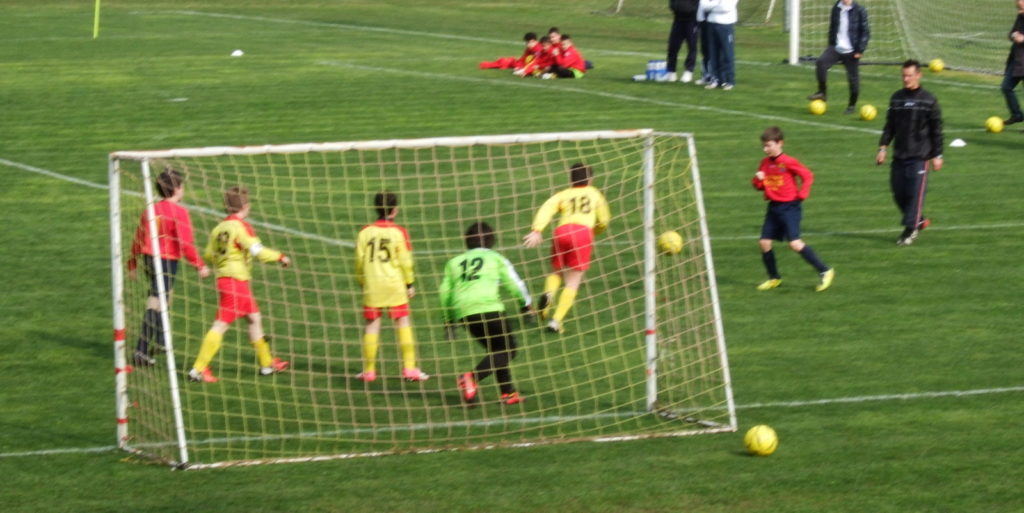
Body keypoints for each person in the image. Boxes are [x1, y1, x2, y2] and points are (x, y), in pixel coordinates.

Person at [188, 186, 291, 383]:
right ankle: (198, 369)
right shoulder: (240, 227)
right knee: (221, 324)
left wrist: (222, 260)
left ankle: (267, 364)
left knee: (254, 318)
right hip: (236, 282)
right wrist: (280, 257)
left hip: (226, 280)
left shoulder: (218, 229)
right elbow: (257, 251)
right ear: (246, 206)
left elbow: (209, 255)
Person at [440, 222, 534, 406]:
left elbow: (445, 293)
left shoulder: (453, 263)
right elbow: (515, 283)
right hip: (489, 308)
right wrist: (526, 305)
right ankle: (471, 378)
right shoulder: (495, 258)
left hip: (464, 313)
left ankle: (508, 393)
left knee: (497, 349)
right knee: (508, 349)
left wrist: (449, 320)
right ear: (491, 241)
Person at [127, 169, 210, 367]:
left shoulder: (151, 210)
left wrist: (132, 262)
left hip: (148, 258)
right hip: (166, 261)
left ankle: (158, 342)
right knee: (156, 302)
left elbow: (140, 236)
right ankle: (143, 349)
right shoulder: (179, 212)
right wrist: (199, 265)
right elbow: (185, 243)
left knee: (161, 298)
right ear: (178, 189)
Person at [523, 163, 610, 333]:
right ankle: (556, 321)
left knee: (556, 271)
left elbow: (547, 208)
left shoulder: (564, 194)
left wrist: (537, 229)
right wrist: (595, 230)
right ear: (590, 179)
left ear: (571, 179)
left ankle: (548, 294)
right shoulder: (594, 194)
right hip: (582, 234)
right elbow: (604, 220)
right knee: (573, 280)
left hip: (561, 232)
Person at [354, 191, 429, 382]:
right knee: (402, 323)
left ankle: (369, 372)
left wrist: (363, 282)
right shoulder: (399, 232)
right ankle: (410, 369)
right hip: (394, 285)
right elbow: (406, 261)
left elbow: (359, 262)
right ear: (395, 210)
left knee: (372, 326)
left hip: (373, 285)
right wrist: (409, 283)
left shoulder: (364, 232)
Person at [752, 127, 835, 292]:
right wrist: (758, 180)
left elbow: (807, 175)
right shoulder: (765, 163)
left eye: (768, 145)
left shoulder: (788, 161)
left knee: (795, 243)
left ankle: (825, 271)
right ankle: (774, 278)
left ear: (779, 143)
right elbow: (759, 186)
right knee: (764, 242)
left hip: (789, 207)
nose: (765, 149)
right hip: (774, 207)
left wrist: (802, 194)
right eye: (764, 146)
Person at [875, 59, 944, 246]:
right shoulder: (896, 98)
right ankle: (919, 220)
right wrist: (882, 148)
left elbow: (936, 130)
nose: (906, 79)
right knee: (899, 194)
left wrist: (937, 155)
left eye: (909, 76)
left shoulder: (928, 100)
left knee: (914, 195)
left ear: (918, 75)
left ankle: (910, 230)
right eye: (903, 75)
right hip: (899, 156)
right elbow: (890, 126)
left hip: (920, 157)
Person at [807, 0, 871, 115]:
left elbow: (865, 32)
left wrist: (860, 50)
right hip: (836, 48)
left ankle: (851, 106)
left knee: (854, 81)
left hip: (852, 51)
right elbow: (832, 28)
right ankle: (822, 92)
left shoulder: (860, 10)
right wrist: (831, 45)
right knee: (821, 63)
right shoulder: (836, 8)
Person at [701, 0, 738, 90]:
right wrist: (717, 3)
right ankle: (716, 79)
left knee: (727, 54)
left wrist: (712, 5)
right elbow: (703, 5)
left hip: (726, 25)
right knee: (713, 54)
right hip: (712, 23)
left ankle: (729, 80)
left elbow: (726, 8)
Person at [664, 0, 700, 83]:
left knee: (691, 46)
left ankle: (689, 71)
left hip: (692, 21)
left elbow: (699, 4)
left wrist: (690, 10)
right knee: (673, 46)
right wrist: (675, 8)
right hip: (678, 19)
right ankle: (671, 71)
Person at [1001, 0, 1024, 126]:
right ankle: (1017, 115)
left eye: (1020, 1)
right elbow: (1011, 33)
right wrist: (1014, 35)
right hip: (1016, 60)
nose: (1018, 3)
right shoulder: (1020, 17)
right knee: (1006, 87)